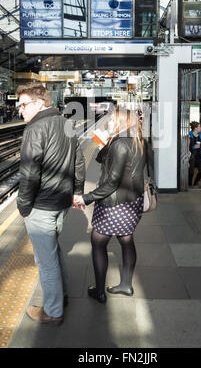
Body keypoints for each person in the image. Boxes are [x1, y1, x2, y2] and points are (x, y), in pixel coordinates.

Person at [16, 83, 86, 325]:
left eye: (23, 104)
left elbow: (29, 174)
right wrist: (76, 192)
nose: (20, 110)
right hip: (62, 202)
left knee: (45, 262)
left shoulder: (35, 129)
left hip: (42, 205)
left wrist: (23, 208)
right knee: (54, 250)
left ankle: (53, 311)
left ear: (39, 103)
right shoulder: (66, 123)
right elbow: (79, 162)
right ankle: (62, 295)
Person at [74, 108, 153, 303]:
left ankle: (99, 291)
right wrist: (103, 144)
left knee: (98, 243)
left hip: (114, 204)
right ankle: (126, 285)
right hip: (133, 200)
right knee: (126, 239)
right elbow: (105, 161)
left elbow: (112, 182)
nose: (108, 124)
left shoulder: (119, 144)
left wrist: (87, 198)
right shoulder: (140, 140)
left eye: (111, 121)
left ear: (120, 122)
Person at [188, 121, 201, 186]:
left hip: (199, 155)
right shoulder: (189, 136)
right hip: (192, 156)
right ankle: (189, 184)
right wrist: (195, 146)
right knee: (191, 172)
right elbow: (189, 147)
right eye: (199, 127)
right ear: (195, 128)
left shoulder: (200, 136)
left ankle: (195, 183)